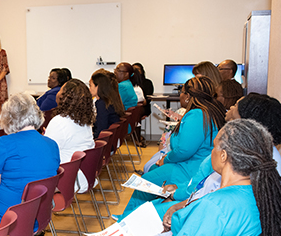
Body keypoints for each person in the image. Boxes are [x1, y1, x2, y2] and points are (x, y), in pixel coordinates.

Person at [153, 93, 281, 225]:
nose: (230, 107)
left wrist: (178, 199)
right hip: (194, 201)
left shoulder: (244, 157)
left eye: (236, 105)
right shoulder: (255, 152)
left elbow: (210, 196)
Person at [113, 76, 226, 221]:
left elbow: (183, 150)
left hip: (188, 168)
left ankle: (126, 219)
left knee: (146, 180)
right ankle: (133, 215)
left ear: (188, 96)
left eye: (182, 92)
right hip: (191, 164)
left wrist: (165, 159)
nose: (180, 95)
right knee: (152, 171)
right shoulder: (208, 111)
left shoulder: (197, 114)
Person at [168, 119, 281, 235]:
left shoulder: (214, 206)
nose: (211, 152)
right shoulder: (261, 195)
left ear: (223, 155)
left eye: (214, 146)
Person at [0, 92, 60, 231]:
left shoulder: (4, 143)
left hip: (7, 220)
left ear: (8, 118)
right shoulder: (52, 144)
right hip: (38, 219)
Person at [45, 78, 95, 193]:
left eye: (61, 90)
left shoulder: (59, 122)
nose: (57, 93)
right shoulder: (84, 120)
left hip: (66, 180)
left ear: (65, 98)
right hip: (83, 176)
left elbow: (47, 154)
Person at [89, 73, 125, 138]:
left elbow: (101, 129)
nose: (89, 89)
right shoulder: (109, 100)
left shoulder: (102, 104)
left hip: (104, 142)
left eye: (90, 86)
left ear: (97, 87)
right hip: (111, 139)